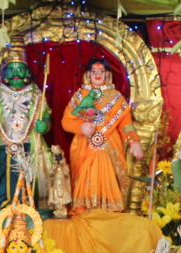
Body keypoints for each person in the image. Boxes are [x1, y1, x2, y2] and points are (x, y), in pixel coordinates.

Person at [61, 58, 143, 212]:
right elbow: (66, 121)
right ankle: (84, 209)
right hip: (84, 147)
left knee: (109, 178)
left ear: (107, 74)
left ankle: (109, 211)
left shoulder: (116, 98)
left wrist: (134, 141)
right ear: (88, 74)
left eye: (101, 71)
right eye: (94, 71)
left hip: (110, 147)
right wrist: (81, 127)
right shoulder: (80, 96)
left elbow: (126, 123)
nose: (98, 74)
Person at [0, 43, 50, 208]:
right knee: (3, 173)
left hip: (29, 143)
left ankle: (28, 204)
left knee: (28, 174)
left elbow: (46, 117)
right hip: (4, 142)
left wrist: (44, 124)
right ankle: (3, 204)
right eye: (12, 69)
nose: (16, 73)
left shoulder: (36, 95)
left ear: (27, 73)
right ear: (5, 73)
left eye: (20, 69)